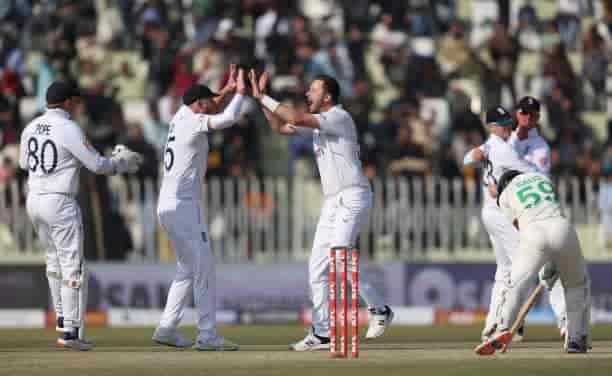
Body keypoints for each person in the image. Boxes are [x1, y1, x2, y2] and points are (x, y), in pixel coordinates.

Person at [248, 70, 393, 351]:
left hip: (353, 196)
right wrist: (260, 102)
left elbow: (293, 117)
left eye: (312, 90)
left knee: (339, 254)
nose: (306, 94)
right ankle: (323, 332)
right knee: (317, 267)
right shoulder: (319, 125)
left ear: (327, 97)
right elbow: (281, 127)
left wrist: (263, 96)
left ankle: (379, 309)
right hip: (332, 202)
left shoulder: (338, 117)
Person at [19, 81, 143, 350]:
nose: (77, 105)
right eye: (75, 101)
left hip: (34, 199)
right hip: (59, 201)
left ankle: (63, 323)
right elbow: (97, 165)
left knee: (53, 264)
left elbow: (22, 163)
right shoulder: (69, 128)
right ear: (67, 102)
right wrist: (121, 162)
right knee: (72, 267)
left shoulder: (30, 127)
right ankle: (70, 334)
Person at [152, 66, 246, 351]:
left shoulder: (181, 116)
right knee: (204, 267)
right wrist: (241, 93)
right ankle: (207, 335)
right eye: (207, 103)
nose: (211, 106)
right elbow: (228, 117)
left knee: (187, 268)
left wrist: (227, 89)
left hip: (167, 205)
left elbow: (212, 104)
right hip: (183, 208)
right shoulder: (194, 121)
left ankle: (167, 328)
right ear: (199, 105)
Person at [475, 170, 591, 354]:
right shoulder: (542, 178)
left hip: (533, 232)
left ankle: (501, 328)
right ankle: (576, 338)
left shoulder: (505, 194)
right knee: (576, 285)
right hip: (562, 228)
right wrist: (554, 261)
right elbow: (550, 206)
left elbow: (518, 225)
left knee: (515, 284)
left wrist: (543, 259)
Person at [463, 106, 538, 342]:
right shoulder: (503, 149)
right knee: (521, 267)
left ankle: (492, 323)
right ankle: (503, 322)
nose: (509, 127)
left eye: (508, 122)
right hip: (500, 213)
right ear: (492, 127)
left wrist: (474, 155)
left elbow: (468, 159)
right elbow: (532, 173)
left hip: (492, 213)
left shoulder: (490, 146)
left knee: (505, 270)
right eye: (503, 123)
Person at [510, 96, 567, 339]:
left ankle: (566, 322)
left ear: (538, 118)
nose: (528, 118)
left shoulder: (541, 146)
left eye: (532, 114)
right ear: (517, 114)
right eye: (524, 113)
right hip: (512, 214)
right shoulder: (505, 140)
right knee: (516, 272)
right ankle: (513, 322)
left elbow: (536, 180)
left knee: (551, 273)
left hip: (537, 213)